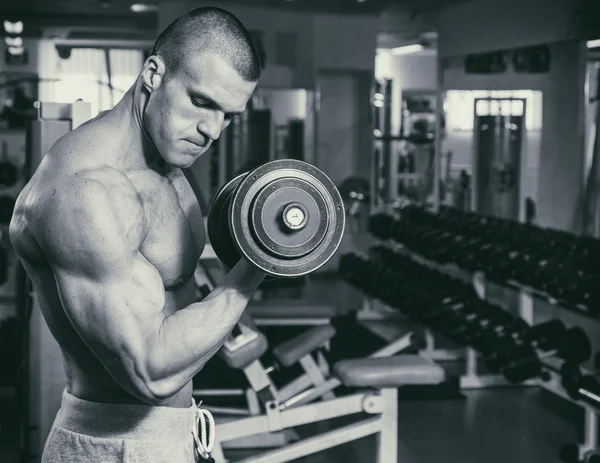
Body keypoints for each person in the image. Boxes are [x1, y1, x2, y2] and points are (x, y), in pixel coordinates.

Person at [9, 7, 265, 463]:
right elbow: (149, 373)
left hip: (177, 434)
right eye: (202, 102)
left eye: (228, 115)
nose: (212, 131)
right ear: (153, 73)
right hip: (114, 446)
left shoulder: (167, 163)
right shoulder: (84, 192)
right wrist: (255, 270)